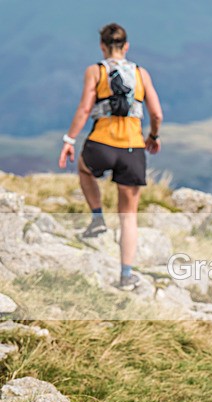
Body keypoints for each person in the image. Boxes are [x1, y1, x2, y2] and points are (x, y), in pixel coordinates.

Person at [58, 22, 163, 291]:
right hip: (132, 148)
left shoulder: (95, 71)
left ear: (103, 46)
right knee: (129, 216)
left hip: (101, 143)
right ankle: (126, 276)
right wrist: (153, 137)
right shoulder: (141, 74)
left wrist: (69, 140)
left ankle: (97, 218)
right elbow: (157, 114)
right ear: (126, 46)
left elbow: (84, 109)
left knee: (84, 169)